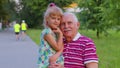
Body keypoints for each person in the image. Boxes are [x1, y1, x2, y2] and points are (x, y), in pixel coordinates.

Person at [37, 3, 64, 68]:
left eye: (58, 19)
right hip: (46, 64)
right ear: (47, 19)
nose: (56, 21)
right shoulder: (47, 32)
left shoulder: (53, 31)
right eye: (53, 18)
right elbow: (57, 48)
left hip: (53, 61)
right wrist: (60, 34)